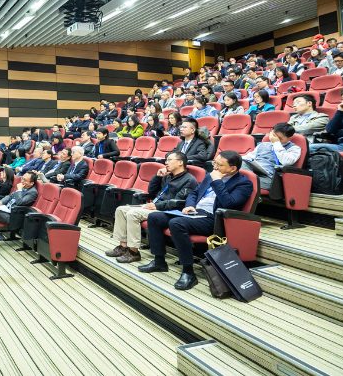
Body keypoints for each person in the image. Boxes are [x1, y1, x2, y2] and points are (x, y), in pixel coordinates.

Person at [139, 151, 253, 290]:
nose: (215, 167)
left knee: (176, 223)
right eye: (214, 163)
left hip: (214, 218)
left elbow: (228, 204)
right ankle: (159, 261)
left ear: (233, 168)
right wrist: (190, 205)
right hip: (195, 212)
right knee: (155, 217)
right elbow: (194, 193)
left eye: (219, 165)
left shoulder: (244, 183)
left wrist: (217, 181)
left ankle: (188, 272)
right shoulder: (210, 175)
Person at [106, 152, 198, 263]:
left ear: (180, 162)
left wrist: (156, 206)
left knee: (133, 214)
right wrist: (157, 177)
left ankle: (133, 252)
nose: (166, 162)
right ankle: (123, 246)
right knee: (120, 210)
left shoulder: (189, 180)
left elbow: (177, 203)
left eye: (169, 160)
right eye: (166, 160)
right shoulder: (167, 176)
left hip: (168, 211)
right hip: (155, 206)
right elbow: (152, 192)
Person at [241, 123, 302, 190]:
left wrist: (276, 143)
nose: (275, 139)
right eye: (274, 135)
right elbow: (249, 158)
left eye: (279, 138)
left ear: (290, 138)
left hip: (271, 180)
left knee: (238, 181)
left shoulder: (294, 149)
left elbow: (286, 162)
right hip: (255, 173)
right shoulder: (263, 145)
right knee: (239, 162)